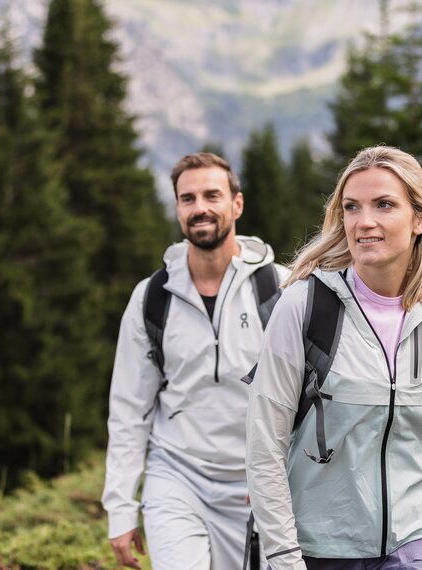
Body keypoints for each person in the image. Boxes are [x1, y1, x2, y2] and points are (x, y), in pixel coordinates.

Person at [246, 145, 422, 570]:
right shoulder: (304, 306)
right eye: (352, 207)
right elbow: (266, 444)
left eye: (384, 205)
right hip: (324, 544)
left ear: (420, 219)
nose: (364, 221)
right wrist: (283, 555)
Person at [102, 152, 287, 569]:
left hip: (255, 487)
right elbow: (129, 409)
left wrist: (279, 477)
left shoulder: (281, 289)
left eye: (211, 195)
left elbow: (310, 399)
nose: (199, 208)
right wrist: (120, 508)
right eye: (187, 198)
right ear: (178, 208)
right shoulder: (152, 297)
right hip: (176, 478)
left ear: (236, 204)